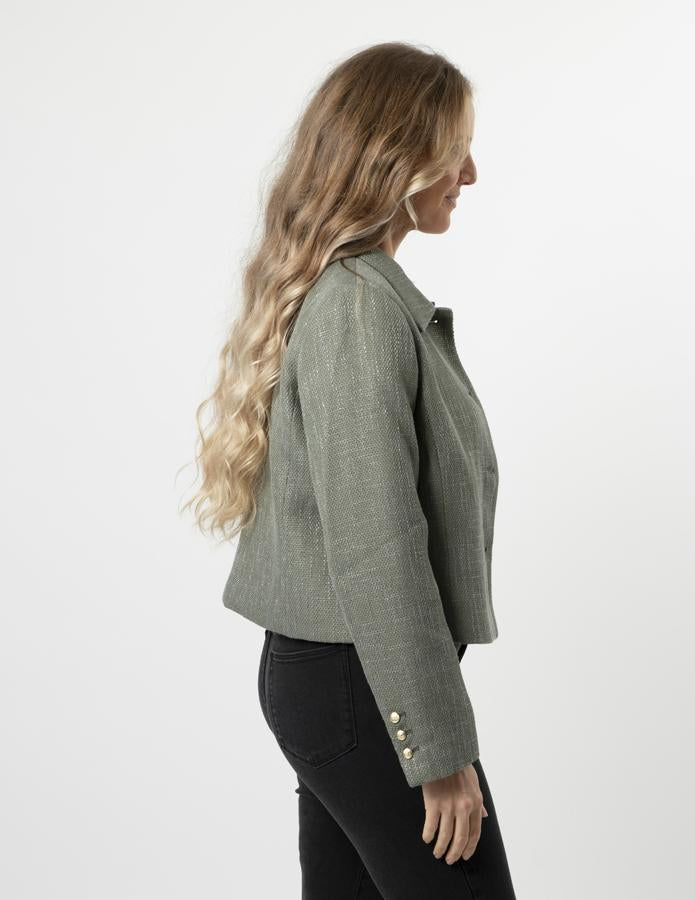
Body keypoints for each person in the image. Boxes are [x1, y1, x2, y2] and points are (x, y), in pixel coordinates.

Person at [184, 41, 517, 899]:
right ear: (395, 158)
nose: (470, 174)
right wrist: (436, 754)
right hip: (359, 686)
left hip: (343, 681)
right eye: (455, 151)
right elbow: (377, 544)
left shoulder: (358, 296)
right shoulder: (362, 308)